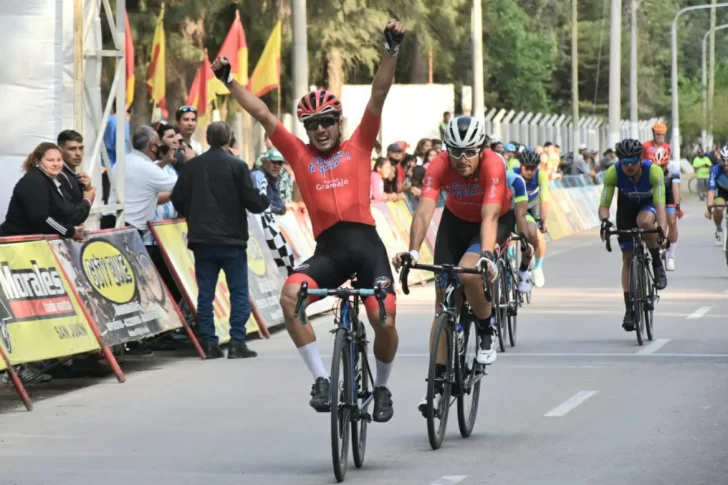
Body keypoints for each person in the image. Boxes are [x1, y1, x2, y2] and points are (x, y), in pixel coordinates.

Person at [211, 19, 406, 422]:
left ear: (339, 124)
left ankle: (383, 388)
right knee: (290, 296)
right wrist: (230, 81)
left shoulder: (360, 144)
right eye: (312, 125)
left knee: (382, 319)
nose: (319, 130)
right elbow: (263, 113)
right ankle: (321, 379)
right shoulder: (298, 155)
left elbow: (379, 93)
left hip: (367, 247)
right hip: (329, 251)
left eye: (326, 122)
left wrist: (391, 50)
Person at [392, 116, 509, 413]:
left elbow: (490, 216)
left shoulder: (493, 164)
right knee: (443, 304)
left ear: (481, 148)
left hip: (490, 220)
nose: (462, 158)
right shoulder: (440, 164)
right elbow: (424, 211)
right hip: (455, 223)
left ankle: (486, 330)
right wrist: (414, 252)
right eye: (455, 151)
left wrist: (486, 254)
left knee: (469, 274)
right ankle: (436, 385)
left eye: (470, 151)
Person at [171, 122, 269, 359]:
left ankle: (209, 343)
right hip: (232, 240)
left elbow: (176, 198)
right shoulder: (237, 165)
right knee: (238, 293)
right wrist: (264, 200)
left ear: (207, 138)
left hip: (202, 239)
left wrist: (193, 213)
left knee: (205, 294)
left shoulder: (192, 166)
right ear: (229, 139)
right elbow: (251, 200)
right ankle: (237, 342)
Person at [599, 139, 667, 332]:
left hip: (649, 204)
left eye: (632, 161)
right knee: (627, 258)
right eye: (624, 161)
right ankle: (629, 309)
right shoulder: (613, 172)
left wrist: (661, 229)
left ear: (640, 159)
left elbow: (661, 206)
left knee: (645, 222)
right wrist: (605, 222)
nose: (628, 165)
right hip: (626, 208)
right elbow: (604, 205)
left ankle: (656, 262)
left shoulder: (654, 171)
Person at [0, 142, 94, 239]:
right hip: (14, 243)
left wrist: (86, 201)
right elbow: (41, 218)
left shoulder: (50, 182)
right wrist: (69, 231)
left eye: (59, 160)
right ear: (37, 161)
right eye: (50, 160)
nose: (56, 164)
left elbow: (67, 215)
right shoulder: (34, 181)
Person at [251, 148, 296, 278]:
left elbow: (279, 204)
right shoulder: (259, 175)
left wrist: (279, 209)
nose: (277, 166)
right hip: (257, 227)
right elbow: (262, 202)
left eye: (280, 163)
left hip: (267, 224)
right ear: (265, 163)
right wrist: (277, 209)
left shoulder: (274, 178)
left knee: (287, 255)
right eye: (273, 162)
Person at [513, 151, 550, 287]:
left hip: (532, 205)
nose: (529, 172)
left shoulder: (541, 175)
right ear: (521, 166)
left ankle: (538, 267)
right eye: (526, 168)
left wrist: (543, 220)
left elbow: (544, 200)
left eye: (532, 168)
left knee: (539, 235)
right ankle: (511, 259)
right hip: (517, 204)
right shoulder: (514, 173)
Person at [649, 146, 681, 271]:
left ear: (667, 163)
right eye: (657, 165)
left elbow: (676, 188)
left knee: (672, 220)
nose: (660, 168)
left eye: (662, 165)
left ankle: (671, 256)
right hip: (655, 193)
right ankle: (658, 244)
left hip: (669, 193)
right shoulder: (650, 169)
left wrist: (677, 205)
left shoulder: (673, 169)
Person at [57, 130, 93, 224]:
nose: (78, 153)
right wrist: (88, 198)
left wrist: (86, 188)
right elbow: (72, 216)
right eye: (72, 149)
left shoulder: (73, 175)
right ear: (60, 150)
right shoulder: (59, 176)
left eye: (81, 148)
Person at [705, 146, 728, 246]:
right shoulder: (716, 170)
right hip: (721, 191)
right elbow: (711, 191)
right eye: (723, 160)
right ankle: (719, 229)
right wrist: (709, 208)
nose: (726, 163)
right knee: (718, 207)